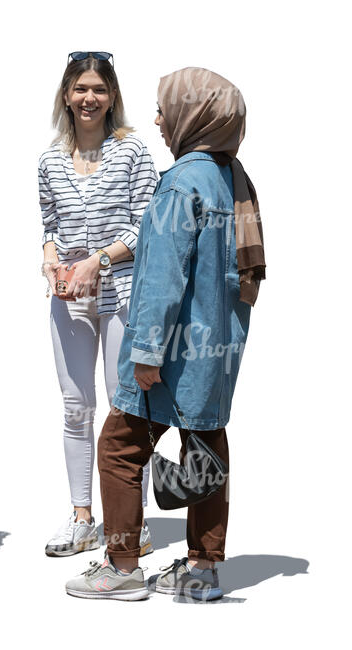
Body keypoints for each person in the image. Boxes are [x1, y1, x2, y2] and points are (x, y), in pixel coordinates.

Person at [65, 67, 265, 601]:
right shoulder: (234, 177)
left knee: (119, 448)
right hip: (216, 350)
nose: (157, 118)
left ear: (194, 116)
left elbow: (161, 277)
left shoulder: (180, 183)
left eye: (164, 107)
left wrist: (147, 352)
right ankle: (202, 570)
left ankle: (122, 566)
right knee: (207, 445)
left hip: (172, 349)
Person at [39, 52, 158, 557]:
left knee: (124, 410)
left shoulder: (132, 151)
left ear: (112, 98)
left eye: (99, 89)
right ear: (66, 95)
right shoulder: (48, 159)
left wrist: (98, 262)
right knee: (74, 407)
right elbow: (48, 223)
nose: (89, 98)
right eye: (81, 88)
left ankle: (131, 523)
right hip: (70, 297)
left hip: (122, 294)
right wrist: (50, 260)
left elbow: (148, 221)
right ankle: (82, 515)